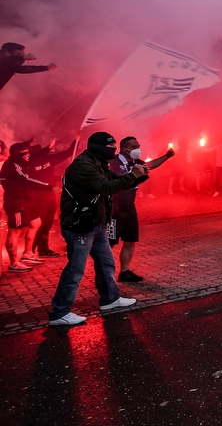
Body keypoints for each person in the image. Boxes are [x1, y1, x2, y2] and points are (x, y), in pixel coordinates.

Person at [48, 132, 145, 326]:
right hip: (80, 225)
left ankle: (110, 299)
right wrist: (133, 175)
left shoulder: (99, 163)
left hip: (97, 223)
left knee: (106, 264)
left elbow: (118, 182)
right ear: (100, 148)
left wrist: (140, 174)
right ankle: (59, 312)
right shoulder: (83, 165)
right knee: (75, 270)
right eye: (111, 147)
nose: (114, 151)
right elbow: (106, 187)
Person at [108, 137, 175, 281]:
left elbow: (150, 165)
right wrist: (137, 175)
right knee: (109, 243)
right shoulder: (113, 161)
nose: (137, 149)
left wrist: (166, 156)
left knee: (130, 240)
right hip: (114, 209)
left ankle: (124, 272)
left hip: (129, 208)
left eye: (138, 145)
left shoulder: (136, 162)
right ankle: (104, 275)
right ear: (124, 148)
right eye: (133, 146)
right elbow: (119, 180)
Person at [1, 143, 54, 273]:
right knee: (15, 231)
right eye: (24, 153)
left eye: (27, 152)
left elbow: (35, 157)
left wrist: (47, 148)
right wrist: (50, 186)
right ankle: (14, 263)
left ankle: (28, 253)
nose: (27, 155)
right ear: (16, 154)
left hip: (26, 200)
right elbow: (28, 180)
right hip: (16, 202)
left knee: (35, 223)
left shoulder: (20, 162)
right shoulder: (12, 166)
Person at [26, 139, 74, 258]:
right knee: (37, 224)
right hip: (36, 195)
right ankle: (29, 251)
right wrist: (46, 148)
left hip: (50, 194)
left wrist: (75, 140)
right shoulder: (29, 162)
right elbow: (35, 178)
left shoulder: (49, 159)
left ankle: (43, 248)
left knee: (47, 223)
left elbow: (67, 153)